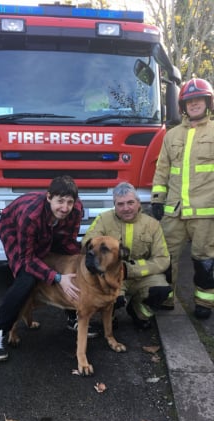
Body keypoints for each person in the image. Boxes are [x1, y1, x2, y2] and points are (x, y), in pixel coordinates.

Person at [0, 175, 98, 362]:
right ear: (48, 197)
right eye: (60, 201)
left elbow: (68, 244)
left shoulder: (75, 210)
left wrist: (85, 265)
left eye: (69, 202)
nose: (65, 207)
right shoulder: (31, 215)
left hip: (47, 229)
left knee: (68, 262)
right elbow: (28, 259)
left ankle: (72, 317)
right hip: (13, 227)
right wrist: (57, 277)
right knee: (26, 277)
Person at [151, 78, 214, 319]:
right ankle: (166, 298)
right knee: (165, 258)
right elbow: (162, 169)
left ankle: (204, 303)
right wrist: (157, 199)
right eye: (189, 100)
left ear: (208, 103)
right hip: (174, 211)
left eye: (199, 99)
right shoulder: (172, 135)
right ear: (183, 105)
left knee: (204, 260)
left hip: (205, 211)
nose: (194, 104)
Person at [82, 182, 172, 329]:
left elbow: (162, 259)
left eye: (130, 202)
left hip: (142, 276)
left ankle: (139, 312)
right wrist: (105, 256)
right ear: (114, 205)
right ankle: (110, 317)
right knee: (112, 299)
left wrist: (131, 269)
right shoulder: (103, 219)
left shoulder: (152, 225)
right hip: (112, 277)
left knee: (161, 291)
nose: (126, 208)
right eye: (120, 204)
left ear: (138, 203)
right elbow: (88, 242)